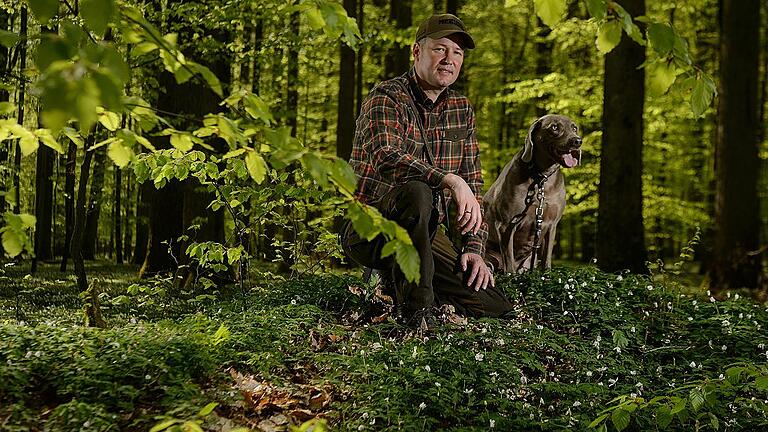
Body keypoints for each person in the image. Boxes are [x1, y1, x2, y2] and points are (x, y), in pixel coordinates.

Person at [341, 14, 514, 329]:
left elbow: (472, 185)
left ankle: (399, 285)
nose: (449, 59)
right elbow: (386, 156)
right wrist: (449, 180)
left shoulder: (462, 109)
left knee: (493, 304)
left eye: (457, 53)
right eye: (440, 49)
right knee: (418, 191)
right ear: (416, 52)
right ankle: (417, 315)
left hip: (426, 231)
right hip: (371, 227)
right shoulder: (386, 97)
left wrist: (474, 248)